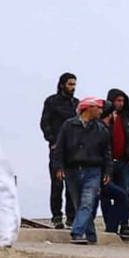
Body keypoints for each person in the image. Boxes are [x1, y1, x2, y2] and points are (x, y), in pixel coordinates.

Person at [52, 97, 111, 245]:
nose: (101, 111)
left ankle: (77, 232)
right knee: (80, 204)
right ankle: (91, 234)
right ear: (89, 108)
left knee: (87, 202)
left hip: (93, 170)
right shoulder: (68, 126)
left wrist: (107, 172)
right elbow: (60, 149)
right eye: (98, 107)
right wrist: (59, 167)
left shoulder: (101, 129)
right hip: (72, 170)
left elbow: (107, 153)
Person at [40, 72, 79, 229]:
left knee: (72, 185)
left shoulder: (76, 104)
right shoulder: (52, 102)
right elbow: (45, 122)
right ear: (62, 84)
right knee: (57, 183)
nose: (73, 88)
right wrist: (52, 140)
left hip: (74, 150)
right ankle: (56, 216)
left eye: (74, 84)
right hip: (57, 148)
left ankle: (71, 217)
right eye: (70, 84)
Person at [97, 104, 129, 240]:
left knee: (121, 195)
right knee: (108, 198)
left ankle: (113, 228)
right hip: (98, 173)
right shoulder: (100, 130)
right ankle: (110, 229)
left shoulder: (109, 127)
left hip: (111, 167)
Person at [104, 89, 129, 239]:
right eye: (118, 101)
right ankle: (110, 225)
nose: (120, 104)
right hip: (107, 163)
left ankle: (124, 224)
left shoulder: (126, 118)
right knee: (106, 195)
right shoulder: (104, 118)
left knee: (124, 194)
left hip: (123, 162)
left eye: (122, 101)